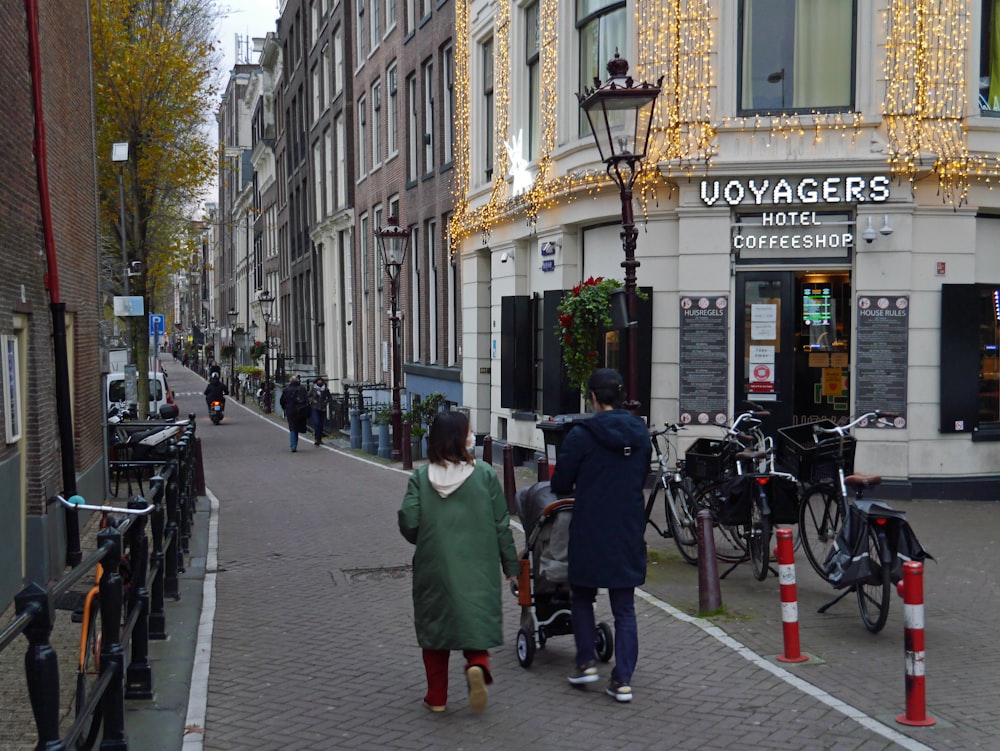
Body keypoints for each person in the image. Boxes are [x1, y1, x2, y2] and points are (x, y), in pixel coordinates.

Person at [398, 410, 520, 714]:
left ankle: (437, 698)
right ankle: (477, 665)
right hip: (479, 567)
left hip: (434, 566)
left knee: (435, 631)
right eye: (469, 431)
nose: (472, 436)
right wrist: (511, 567)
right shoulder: (485, 475)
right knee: (473, 620)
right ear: (459, 438)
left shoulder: (421, 478)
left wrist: (427, 538)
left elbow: (409, 521)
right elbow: (501, 524)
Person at [549, 368, 651, 703]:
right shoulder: (641, 433)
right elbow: (641, 476)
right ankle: (622, 681)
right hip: (627, 527)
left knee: (582, 596)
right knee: (624, 607)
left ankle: (585, 663)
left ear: (592, 398)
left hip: (591, 526)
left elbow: (561, 484)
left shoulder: (581, 435)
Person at [278, 375, 309, 452]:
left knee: (292, 427)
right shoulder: (302, 389)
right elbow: (306, 399)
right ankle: (294, 444)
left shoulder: (286, 390)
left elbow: (282, 400)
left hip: (290, 410)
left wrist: (284, 407)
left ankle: (293, 445)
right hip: (300, 410)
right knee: (297, 427)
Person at [308, 377, 331, 446]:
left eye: (321, 381)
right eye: (319, 381)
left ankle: (319, 439)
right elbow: (308, 396)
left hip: (322, 408)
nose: (320, 382)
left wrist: (326, 401)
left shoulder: (325, 389)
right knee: (316, 422)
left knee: (321, 424)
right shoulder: (313, 389)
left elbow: (329, 397)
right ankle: (316, 438)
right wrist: (312, 400)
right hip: (315, 407)